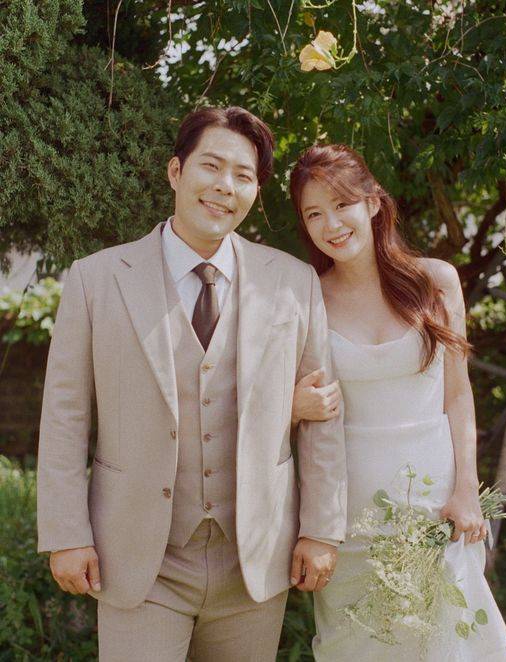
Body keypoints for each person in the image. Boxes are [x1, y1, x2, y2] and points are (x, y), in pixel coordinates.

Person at [37, 107, 347, 662]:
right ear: (176, 172)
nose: (225, 186)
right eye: (211, 166)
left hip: (253, 556)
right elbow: (65, 416)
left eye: (243, 175)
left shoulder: (292, 283)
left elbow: (323, 414)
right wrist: (66, 533)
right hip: (138, 556)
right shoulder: (96, 279)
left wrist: (321, 529)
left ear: (255, 191)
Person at [289, 143, 506, 661]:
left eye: (342, 204)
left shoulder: (435, 280)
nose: (331, 225)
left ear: (372, 201)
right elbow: (278, 401)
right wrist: (291, 406)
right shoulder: (307, 297)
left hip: (437, 507)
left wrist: (466, 490)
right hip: (349, 518)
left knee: (452, 646)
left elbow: (457, 394)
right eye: (314, 214)